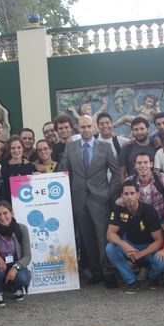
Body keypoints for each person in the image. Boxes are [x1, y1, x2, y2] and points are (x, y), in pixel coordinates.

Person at [60, 115, 119, 287]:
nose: (86, 130)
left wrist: (109, 192)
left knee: (102, 236)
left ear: (94, 127)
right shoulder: (70, 148)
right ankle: (96, 272)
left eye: (88, 126)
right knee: (87, 238)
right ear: (78, 128)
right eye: (82, 127)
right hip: (79, 199)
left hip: (100, 198)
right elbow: (65, 173)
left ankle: (108, 271)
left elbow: (116, 172)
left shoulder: (105, 147)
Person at [106, 180, 164, 293]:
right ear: (122, 196)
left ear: (138, 195)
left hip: (148, 247)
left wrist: (140, 254)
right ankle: (132, 281)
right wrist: (124, 245)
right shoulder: (119, 208)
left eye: (132, 193)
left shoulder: (149, 211)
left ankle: (152, 278)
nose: (129, 197)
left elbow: (159, 241)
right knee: (110, 248)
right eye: (126, 194)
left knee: (163, 261)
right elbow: (110, 234)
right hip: (130, 244)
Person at [0, 201, 32, 306]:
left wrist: (15, 267)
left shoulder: (21, 229)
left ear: (11, 213)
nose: (3, 217)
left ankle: (18, 287)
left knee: (23, 278)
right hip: (0, 264)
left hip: (16, 262)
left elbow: (27, 256)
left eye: (5, 213)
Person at [124, 151, 164, 222]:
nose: (142, 165)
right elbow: (124, 203)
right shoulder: (129, 181)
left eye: (145, 162)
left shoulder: (162, 178)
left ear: (151, 164)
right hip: (138, 220)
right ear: (135, 165)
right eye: (139, 163)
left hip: (161, 219)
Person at [118, 117, 157, 181]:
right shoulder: (127, 148)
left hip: (154, 189)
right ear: (132, 131)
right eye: (136, 129)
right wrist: (124, 188)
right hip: (133, 188)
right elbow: (122, 172)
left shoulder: (156, 146)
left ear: (148, 130)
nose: (139, 132)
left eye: (142, 129)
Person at [0, 135, 38, 202]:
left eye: (19, 147)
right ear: (9, 150)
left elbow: (36, 187)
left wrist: (37, 177)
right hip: (9, 204)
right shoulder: (3, 167)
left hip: (27, 203)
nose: (16, 150)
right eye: (13, 148)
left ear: (23, 148)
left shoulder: (30, 166)